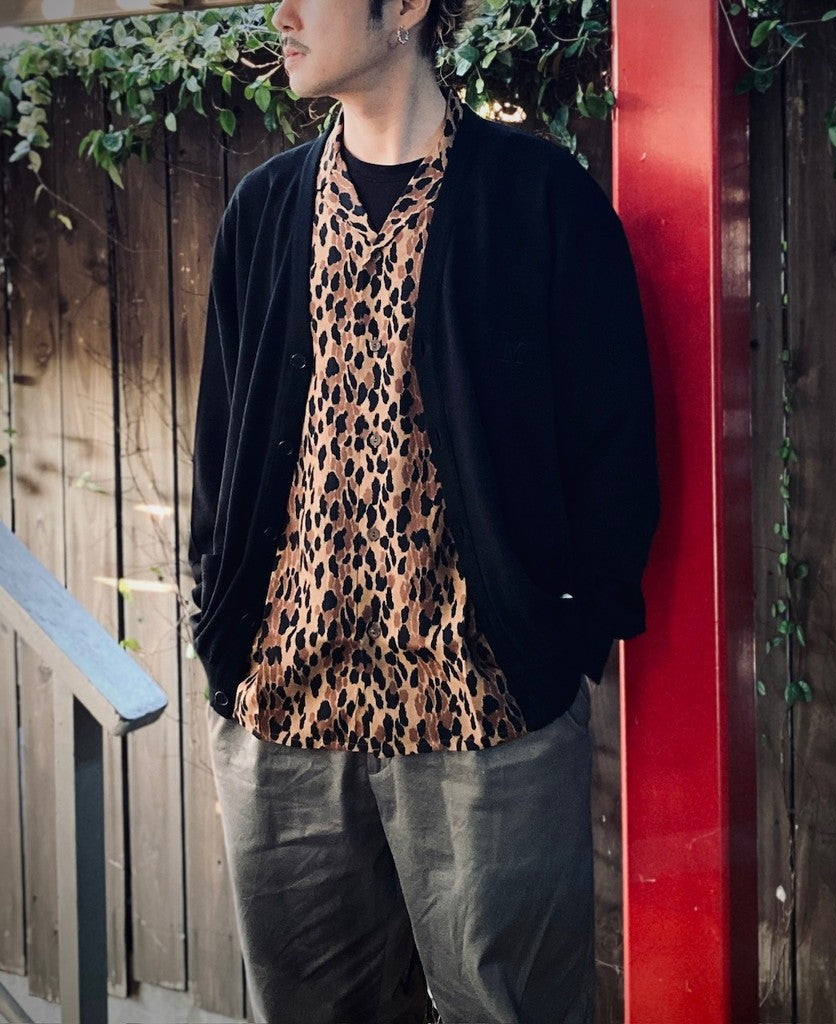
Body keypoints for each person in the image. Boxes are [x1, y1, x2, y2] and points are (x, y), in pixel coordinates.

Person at [187, 0, 659, 1020]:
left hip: (483, 716)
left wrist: (556, 637)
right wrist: (222, 634)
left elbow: (614, 442)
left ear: (403, 9)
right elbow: (221, 449)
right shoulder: (264, 210)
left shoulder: (541, 201)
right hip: (284, 718)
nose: (281, 13)